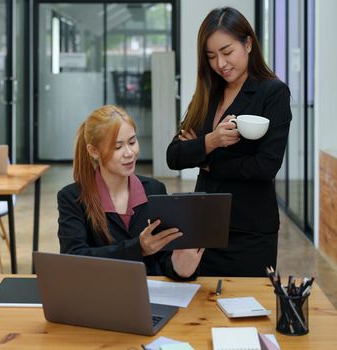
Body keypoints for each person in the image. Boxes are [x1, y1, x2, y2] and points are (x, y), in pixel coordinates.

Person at [166, 7, 292, 277]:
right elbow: (174, 155)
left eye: (226, 52)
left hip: (250, 231)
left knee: (246, 311)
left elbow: (265, 167)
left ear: (248, 44)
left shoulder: (272, 92)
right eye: (211, 56)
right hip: (203, 227)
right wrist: (210, 142)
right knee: (199, 311)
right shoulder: (209, 93)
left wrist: (206, 160)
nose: (220, 64)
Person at [57, 105, 203, 279]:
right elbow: (73, 259)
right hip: (97, 295)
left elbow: (164, 259)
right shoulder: (72, 197)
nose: (129, 153)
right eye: (118, 147)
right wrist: (138, 248)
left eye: (132, 142)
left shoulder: (155, 190)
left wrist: (181, 267)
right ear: (94, 151)